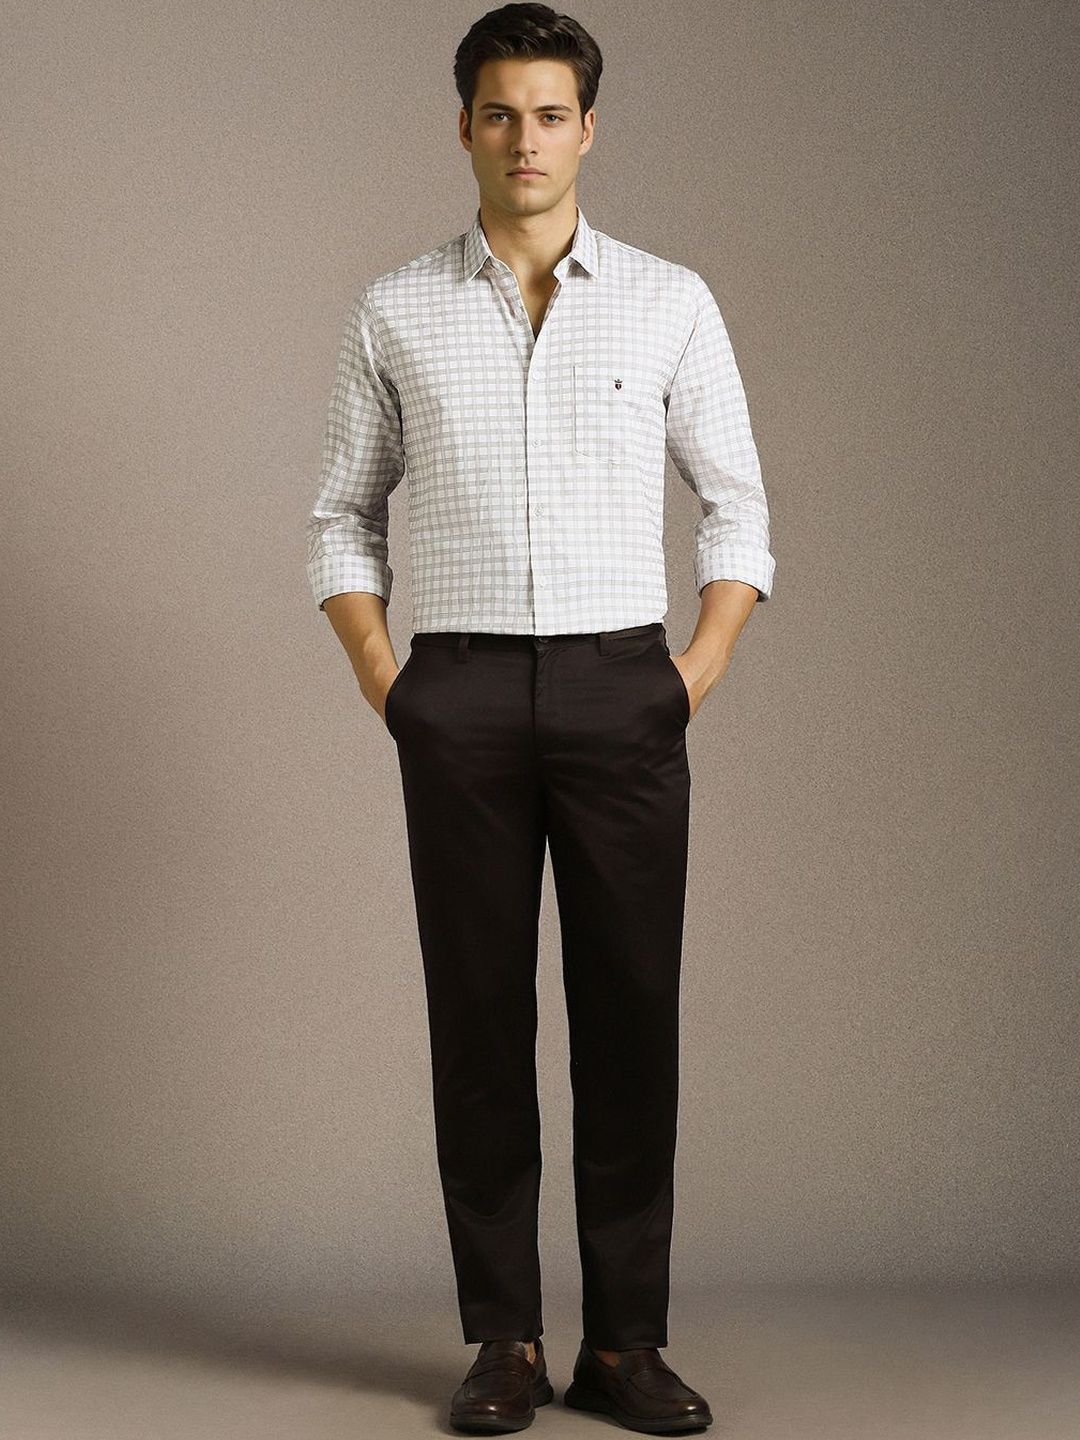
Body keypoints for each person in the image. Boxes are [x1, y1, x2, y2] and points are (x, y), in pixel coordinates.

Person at [305, 4, 775, 1432]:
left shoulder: (669, 301)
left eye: (551, 114)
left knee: (631, 1013)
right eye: (500, 113)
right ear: (464, 127)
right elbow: (339, 515)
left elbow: (739, 507)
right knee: (478, 1018)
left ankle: (624, 1345)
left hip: (621, 688)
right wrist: (391, 682)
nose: (526, 140)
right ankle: (503, 1341)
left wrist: (687, 673)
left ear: (589, 129)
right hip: (456, 695)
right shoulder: (396, 308)